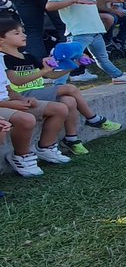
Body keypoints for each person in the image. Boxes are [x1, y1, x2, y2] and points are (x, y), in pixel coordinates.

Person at [1, 14, 122, 155]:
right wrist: (43, 71)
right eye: (17, 33)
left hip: (37, 92)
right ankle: (93, 118)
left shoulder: (28, 56)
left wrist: (74, 65)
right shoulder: (3, 58)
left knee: (69, 100)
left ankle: (71, 139)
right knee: (69, 88)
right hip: (22, 95)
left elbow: (51, 75)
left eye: (23, 32)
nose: (24, 35)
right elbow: (16, 80)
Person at [0, 40, 72, 175]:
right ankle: (21, 155)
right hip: (5, 105)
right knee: (26, 119)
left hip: (8, 101)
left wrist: (22, 99)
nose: (24, 35)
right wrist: (10, 104)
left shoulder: (1, 59)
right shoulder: (6, 59)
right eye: (17, 33)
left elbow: (8, 89)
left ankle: (45, 147)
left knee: (60, 108)